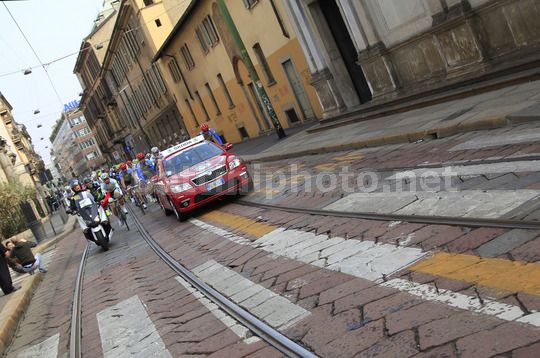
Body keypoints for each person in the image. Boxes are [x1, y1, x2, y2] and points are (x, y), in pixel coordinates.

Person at [69, 178, 112, 244]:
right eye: (75, 187)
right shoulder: (73, 198)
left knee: (102, 215)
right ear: (73, 189)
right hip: (84, 213)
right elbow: (72, 206)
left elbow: (95, 197)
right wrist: (72, 210)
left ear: (80, 185)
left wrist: (100, 199)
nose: (76, 187)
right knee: (84, 225)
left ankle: (108, 227)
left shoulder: (87, 192)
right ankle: (91, 237)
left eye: (77, 185)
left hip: (92, 209)